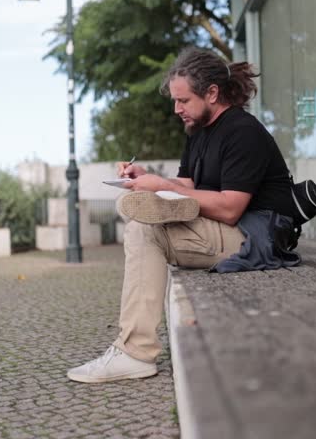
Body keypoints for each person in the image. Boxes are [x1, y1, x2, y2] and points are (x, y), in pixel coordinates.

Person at [67, 47, 301, 384]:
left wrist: (162, 185)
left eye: (184, 101)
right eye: (175, 101)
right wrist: (145, 177)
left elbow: (231, 208)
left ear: (212, 93)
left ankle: (135, 353)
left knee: (145, 232)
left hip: (257, 236)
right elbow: (190, 183)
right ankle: (134, 350)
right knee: (142, 222)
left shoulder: (243, 132)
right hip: (226, 226)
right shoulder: (199, 130)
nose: (177, 109)